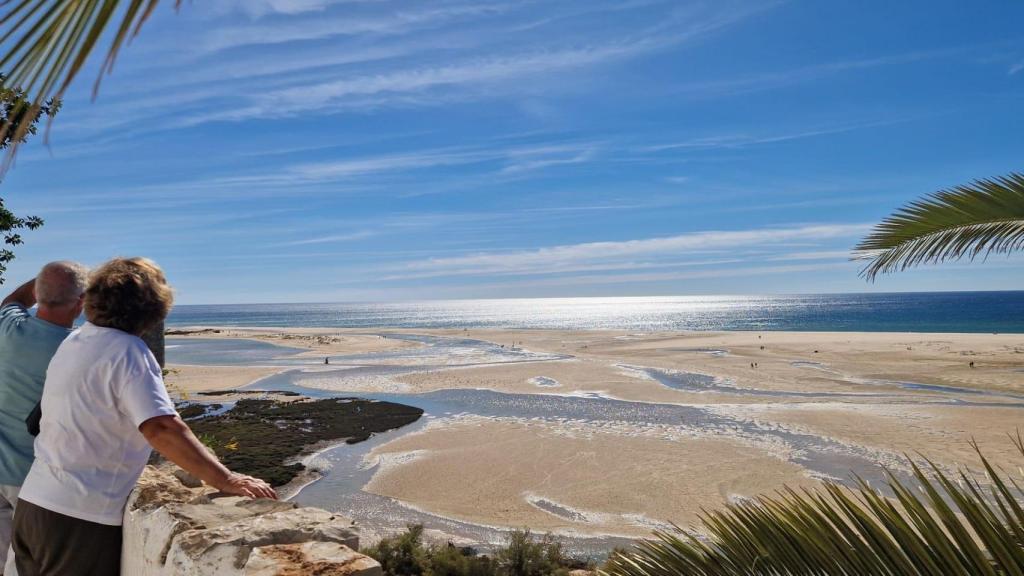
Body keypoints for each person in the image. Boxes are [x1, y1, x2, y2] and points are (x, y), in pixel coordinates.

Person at [12, 258, 276, 576]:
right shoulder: (127, 351)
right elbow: (161, 427)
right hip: (78, 516)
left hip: (34, 504)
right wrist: (224, 479)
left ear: (91, 301)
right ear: (153, 311)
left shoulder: (75, 341)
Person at [0, 262, 89, 576]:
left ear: (38, 293)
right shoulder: (76, 349)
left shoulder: (9, 327)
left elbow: (11, 301)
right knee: (25, 565)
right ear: (81, 302)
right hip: (33, 476)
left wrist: (40, 283)